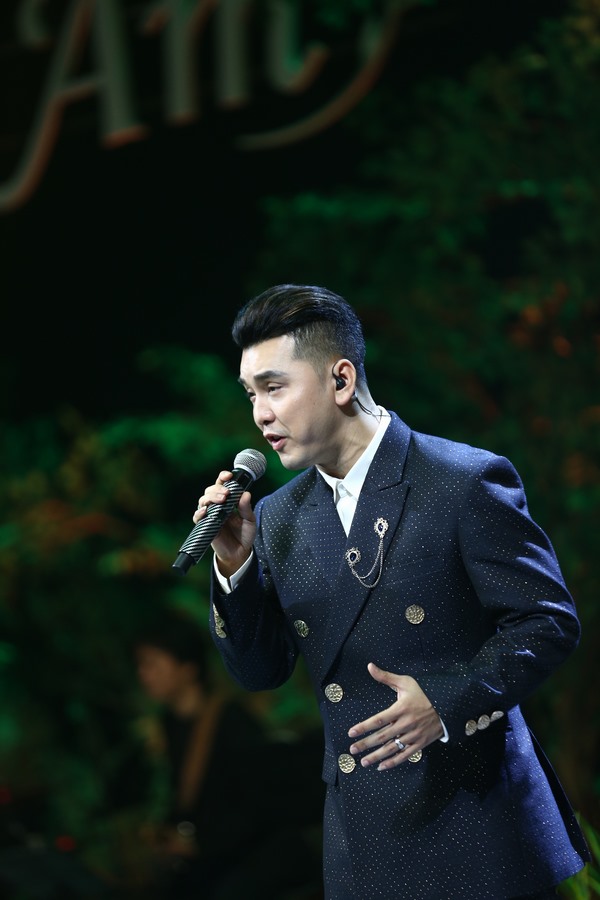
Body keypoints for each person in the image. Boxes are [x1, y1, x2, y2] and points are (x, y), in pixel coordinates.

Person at [192, 283, 590, 900]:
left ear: (341, 379)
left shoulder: (460, 479)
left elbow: (548, 622)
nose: (260, 415)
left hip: (478, 824)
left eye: (274, 388)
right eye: (251, 394)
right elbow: (259, 672)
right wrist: (234, 565)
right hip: (362, 841)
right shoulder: (277, 517)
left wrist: (446, 701)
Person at [133, 611, 324, 899]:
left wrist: (201, 843)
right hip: (217, 856)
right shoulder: (169, 725)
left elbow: (261, 802)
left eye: (152, 664)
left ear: (187, 668)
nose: (143, 675)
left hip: (256, 854)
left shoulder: (230, 721)